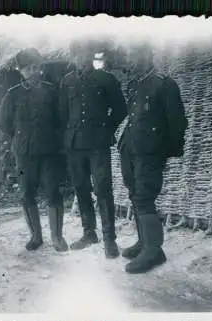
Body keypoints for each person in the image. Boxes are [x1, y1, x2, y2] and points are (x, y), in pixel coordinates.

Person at [118, 42, 188, 274]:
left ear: (149, 54)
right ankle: (144, 243)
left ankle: (153, 251)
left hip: (149, 152)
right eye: (130, 54)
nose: (131, 59)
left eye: (136, 53)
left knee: (144, 198)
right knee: (135, 195)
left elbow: (178, 123)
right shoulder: (134, 85)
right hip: (130, 149)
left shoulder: (165, 85)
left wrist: (164, 154)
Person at [59, 40, 127, 258]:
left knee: (103, 188)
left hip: (98, 143)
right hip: (75, 144)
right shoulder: (67, 81)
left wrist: (106, 129)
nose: (81, 59)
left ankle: (110, 240)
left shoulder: (106, 79)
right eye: (76, 54)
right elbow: (62, 113)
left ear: (91, 55)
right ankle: (89, 233)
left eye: (84, 53)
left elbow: (120, 109)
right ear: (72, 57)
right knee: (81, 187)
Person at [0, 48, 68, 252]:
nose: (33, 71)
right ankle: (36, 237)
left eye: (36, 67)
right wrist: (21, 138)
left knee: (53, 191)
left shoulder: (51, 91)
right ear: (21, 71)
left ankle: (57, 237)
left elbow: (61, 119)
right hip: (25, 153)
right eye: (28, 68)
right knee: (27, 192)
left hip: (49, 151)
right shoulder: (12, 95)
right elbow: (5, 124)